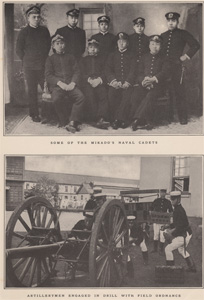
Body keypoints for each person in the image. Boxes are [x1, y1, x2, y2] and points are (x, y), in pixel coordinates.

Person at [161, 12, 200, 125]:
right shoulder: (163, 35)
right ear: (167, 22)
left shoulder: (183, 33)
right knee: (165, 90)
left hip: (177, 66)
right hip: (164, 68)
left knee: (179, 92)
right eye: (169, 21)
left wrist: (186, 56)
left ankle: (183, 117)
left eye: (173, 21)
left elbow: (196, 45)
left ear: (177, 22)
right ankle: (168, 116)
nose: (171, 23)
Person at [16, 5, 51, 122]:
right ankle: (34, 114)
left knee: (47, 89)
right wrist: (27, 59)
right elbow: (18, 50)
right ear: (28, 18)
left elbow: (47, 46)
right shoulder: (23, 32)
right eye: (34, 17)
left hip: (42, 65)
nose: (36, 19)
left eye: (38, 17)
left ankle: (47, 113)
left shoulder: (44, 30)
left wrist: (42, 59)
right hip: (29, 67)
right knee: (32, 91)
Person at [45, 34, 85, 133]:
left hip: (70, 85)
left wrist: (73, 83)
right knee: (56, 99)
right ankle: (63, 121)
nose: (60, 45)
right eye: (57, 44)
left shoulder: (70, 57)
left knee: (80, 97)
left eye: (62, 43)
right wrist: (59, 83)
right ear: (53, 46)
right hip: (58, 87)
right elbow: (48, 75)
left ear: (65, 45)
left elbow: (77, 72)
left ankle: (72, 121)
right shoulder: (50, 59)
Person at [130, 35, 170, 131]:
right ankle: (147, 121)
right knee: (135, 94)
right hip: (144, 84)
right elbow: (139, 73)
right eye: (152, 44)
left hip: (159, 86)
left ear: (161, 46)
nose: (154, 46)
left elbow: (165, 73)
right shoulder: (144, 57)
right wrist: (143, 81)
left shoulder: (165, 58)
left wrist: (153, 80)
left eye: (157, 44)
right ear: (149, 46)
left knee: (150, 96)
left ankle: (137, 119)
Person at [105, 32, 136, 128]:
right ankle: (114, 119)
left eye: (124, 41)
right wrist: (113, 81)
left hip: (128, 83)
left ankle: (122, 119)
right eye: (119, 41)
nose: (121, 43)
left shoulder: (132, 55)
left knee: (127, 96)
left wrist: (128, 82)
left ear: (127, 43)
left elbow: (133, 70)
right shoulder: (112, 55)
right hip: (115, 83)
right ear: (117, 43)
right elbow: (108, 69)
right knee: (111, 95)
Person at [79, 38, 110, 129]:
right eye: (91, 47)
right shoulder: (83, 60)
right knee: (90, 95)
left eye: (95, 47)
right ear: (87, 49)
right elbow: (81, 73)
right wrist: (89, 80)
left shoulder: (103, 60)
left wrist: (99, 80)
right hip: (87, 83)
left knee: (103, 94)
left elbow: (106, 72)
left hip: (99, 82)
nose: (93, 49)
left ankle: (101, 118)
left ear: (98, 49)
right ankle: (93, 118)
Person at [164, 191, 196, 272]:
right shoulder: (177, 209)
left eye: (173, 199)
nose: (171, 201)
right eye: (171, 199)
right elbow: (177, 223)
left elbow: (180, 227)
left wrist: (170, 233)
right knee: (181, 250)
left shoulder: (179, 210)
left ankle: (170, 270)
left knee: (168, 249)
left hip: (184, 234)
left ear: (179, 199)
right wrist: (168, 226)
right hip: (185, 233)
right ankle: (192, 267)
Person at [150, 189, 173, 253]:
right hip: (156, 220)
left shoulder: (168, 202)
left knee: (162, 235)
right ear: (160, 193)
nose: (162, 194)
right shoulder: (156, 200)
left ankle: (161, 249)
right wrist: (152, 213)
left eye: (164, 192)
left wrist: (170, 217)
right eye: (161, 192)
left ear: (165, 193)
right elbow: (151, 208)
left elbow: (171, 211)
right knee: (156, 234)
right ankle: (155, 249)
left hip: (164, 221)